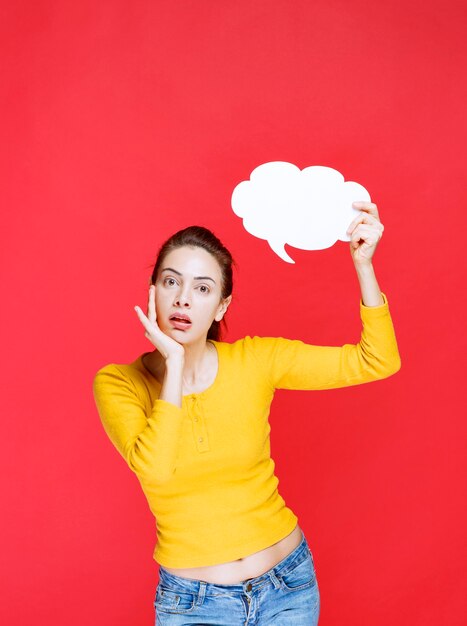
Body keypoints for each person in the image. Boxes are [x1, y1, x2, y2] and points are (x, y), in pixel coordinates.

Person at [92, 201, 401, 625]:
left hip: (287, 587)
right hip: (192, 604)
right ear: (152, 292)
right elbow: (156, 469)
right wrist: (176, 364)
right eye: (171, 282)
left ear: (221, 306)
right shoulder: (118, 383)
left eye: (202, 288)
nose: (183, 299)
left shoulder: (256, 359)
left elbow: (377, 361)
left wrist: (363, 265)